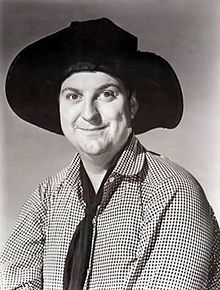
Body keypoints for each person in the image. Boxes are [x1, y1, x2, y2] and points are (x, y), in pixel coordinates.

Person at [0, 18, 219, 290]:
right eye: (73, 96)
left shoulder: (173, 191)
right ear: (59, 107)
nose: (89, 114)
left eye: (106, 94)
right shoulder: (47, 196)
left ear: (132, 105)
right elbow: (12, 282)